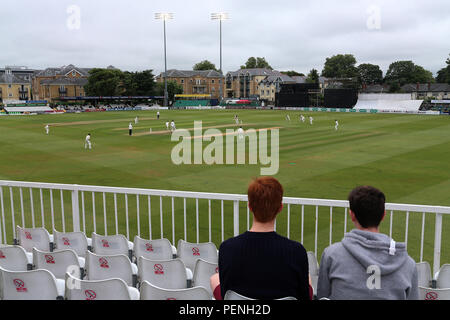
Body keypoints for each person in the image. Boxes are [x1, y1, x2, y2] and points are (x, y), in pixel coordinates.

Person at [212, 177, 311, 300]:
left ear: (250, 206)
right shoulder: (296, 251)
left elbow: (225, 293)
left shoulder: (227, 248)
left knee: (214, 279)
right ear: (280, 208)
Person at [316, 186, 419, 300]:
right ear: (383, 215)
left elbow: (323, 296)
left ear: (352, 215)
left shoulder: (332, 255)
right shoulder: (408, 264)